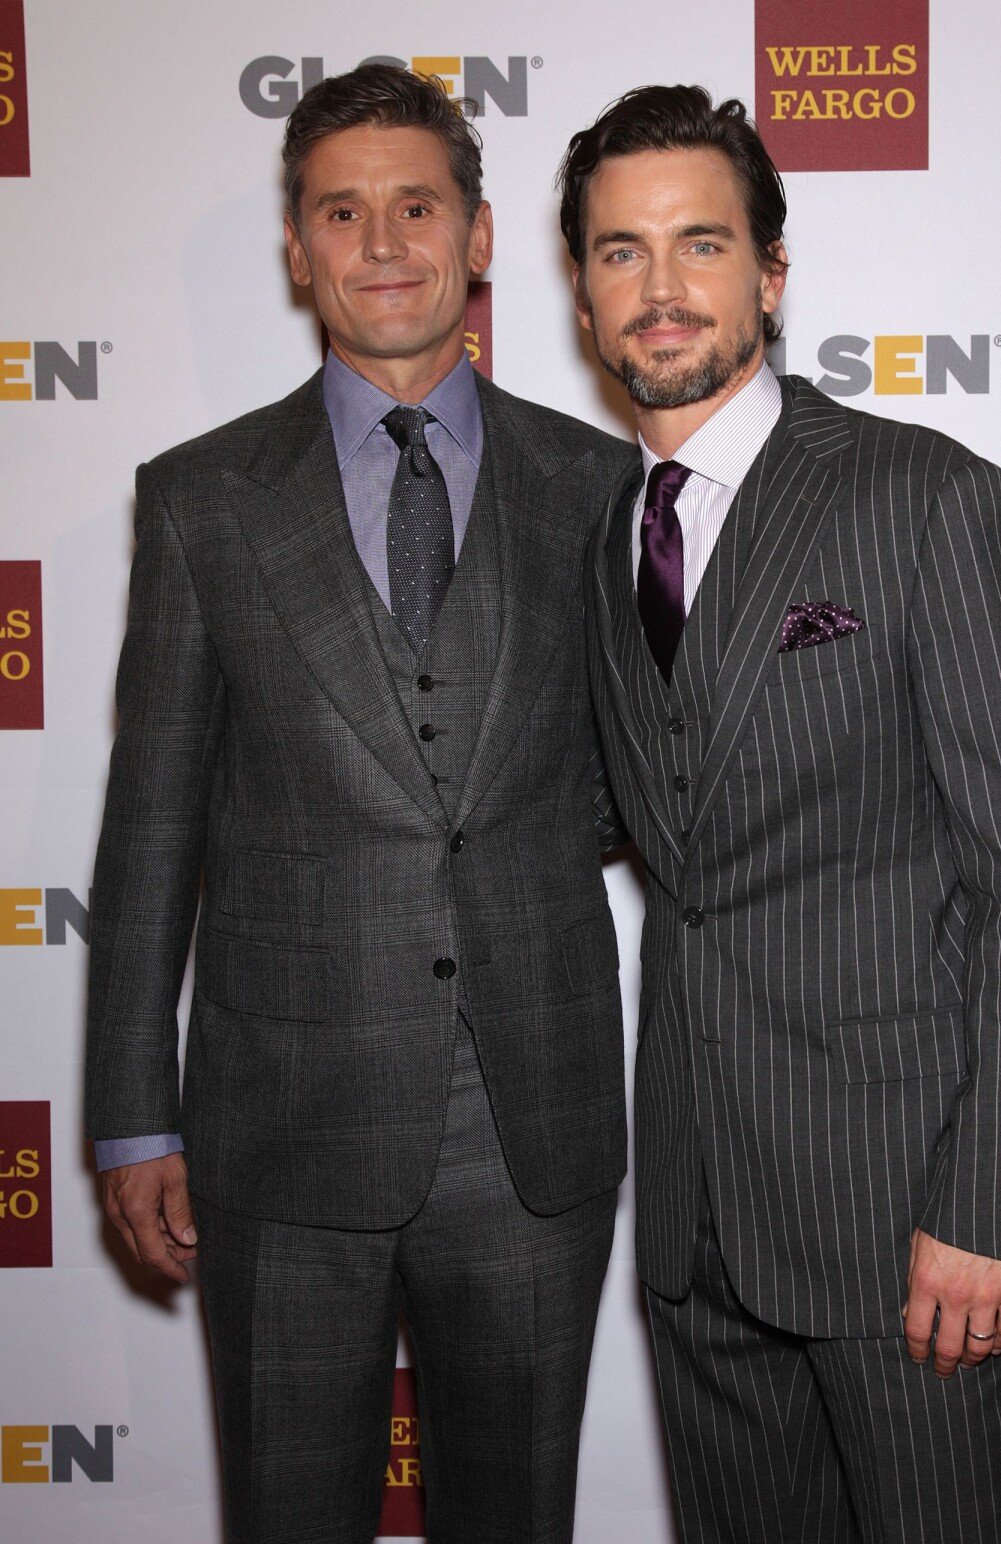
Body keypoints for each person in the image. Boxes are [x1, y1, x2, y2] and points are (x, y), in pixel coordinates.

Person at [85, 63, 634, 1544]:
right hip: (279, 1124)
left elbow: (643, 785)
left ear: (476, 238)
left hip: (536, 1119)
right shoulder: (202, 499)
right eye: (344, 210)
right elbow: (150, 827)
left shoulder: (600, 486)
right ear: (298, 250)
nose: (382, 241)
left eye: (416, 206)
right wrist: (134, 1120)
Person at [560, 84, 1001, 1542]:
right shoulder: (602, 535)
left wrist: (991, 1203)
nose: (662, 290)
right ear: (581, 290)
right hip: (693, 1220)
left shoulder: (926, 501)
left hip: (907, 1221)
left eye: (701, 246)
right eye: (621, 253)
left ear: (772, 274)